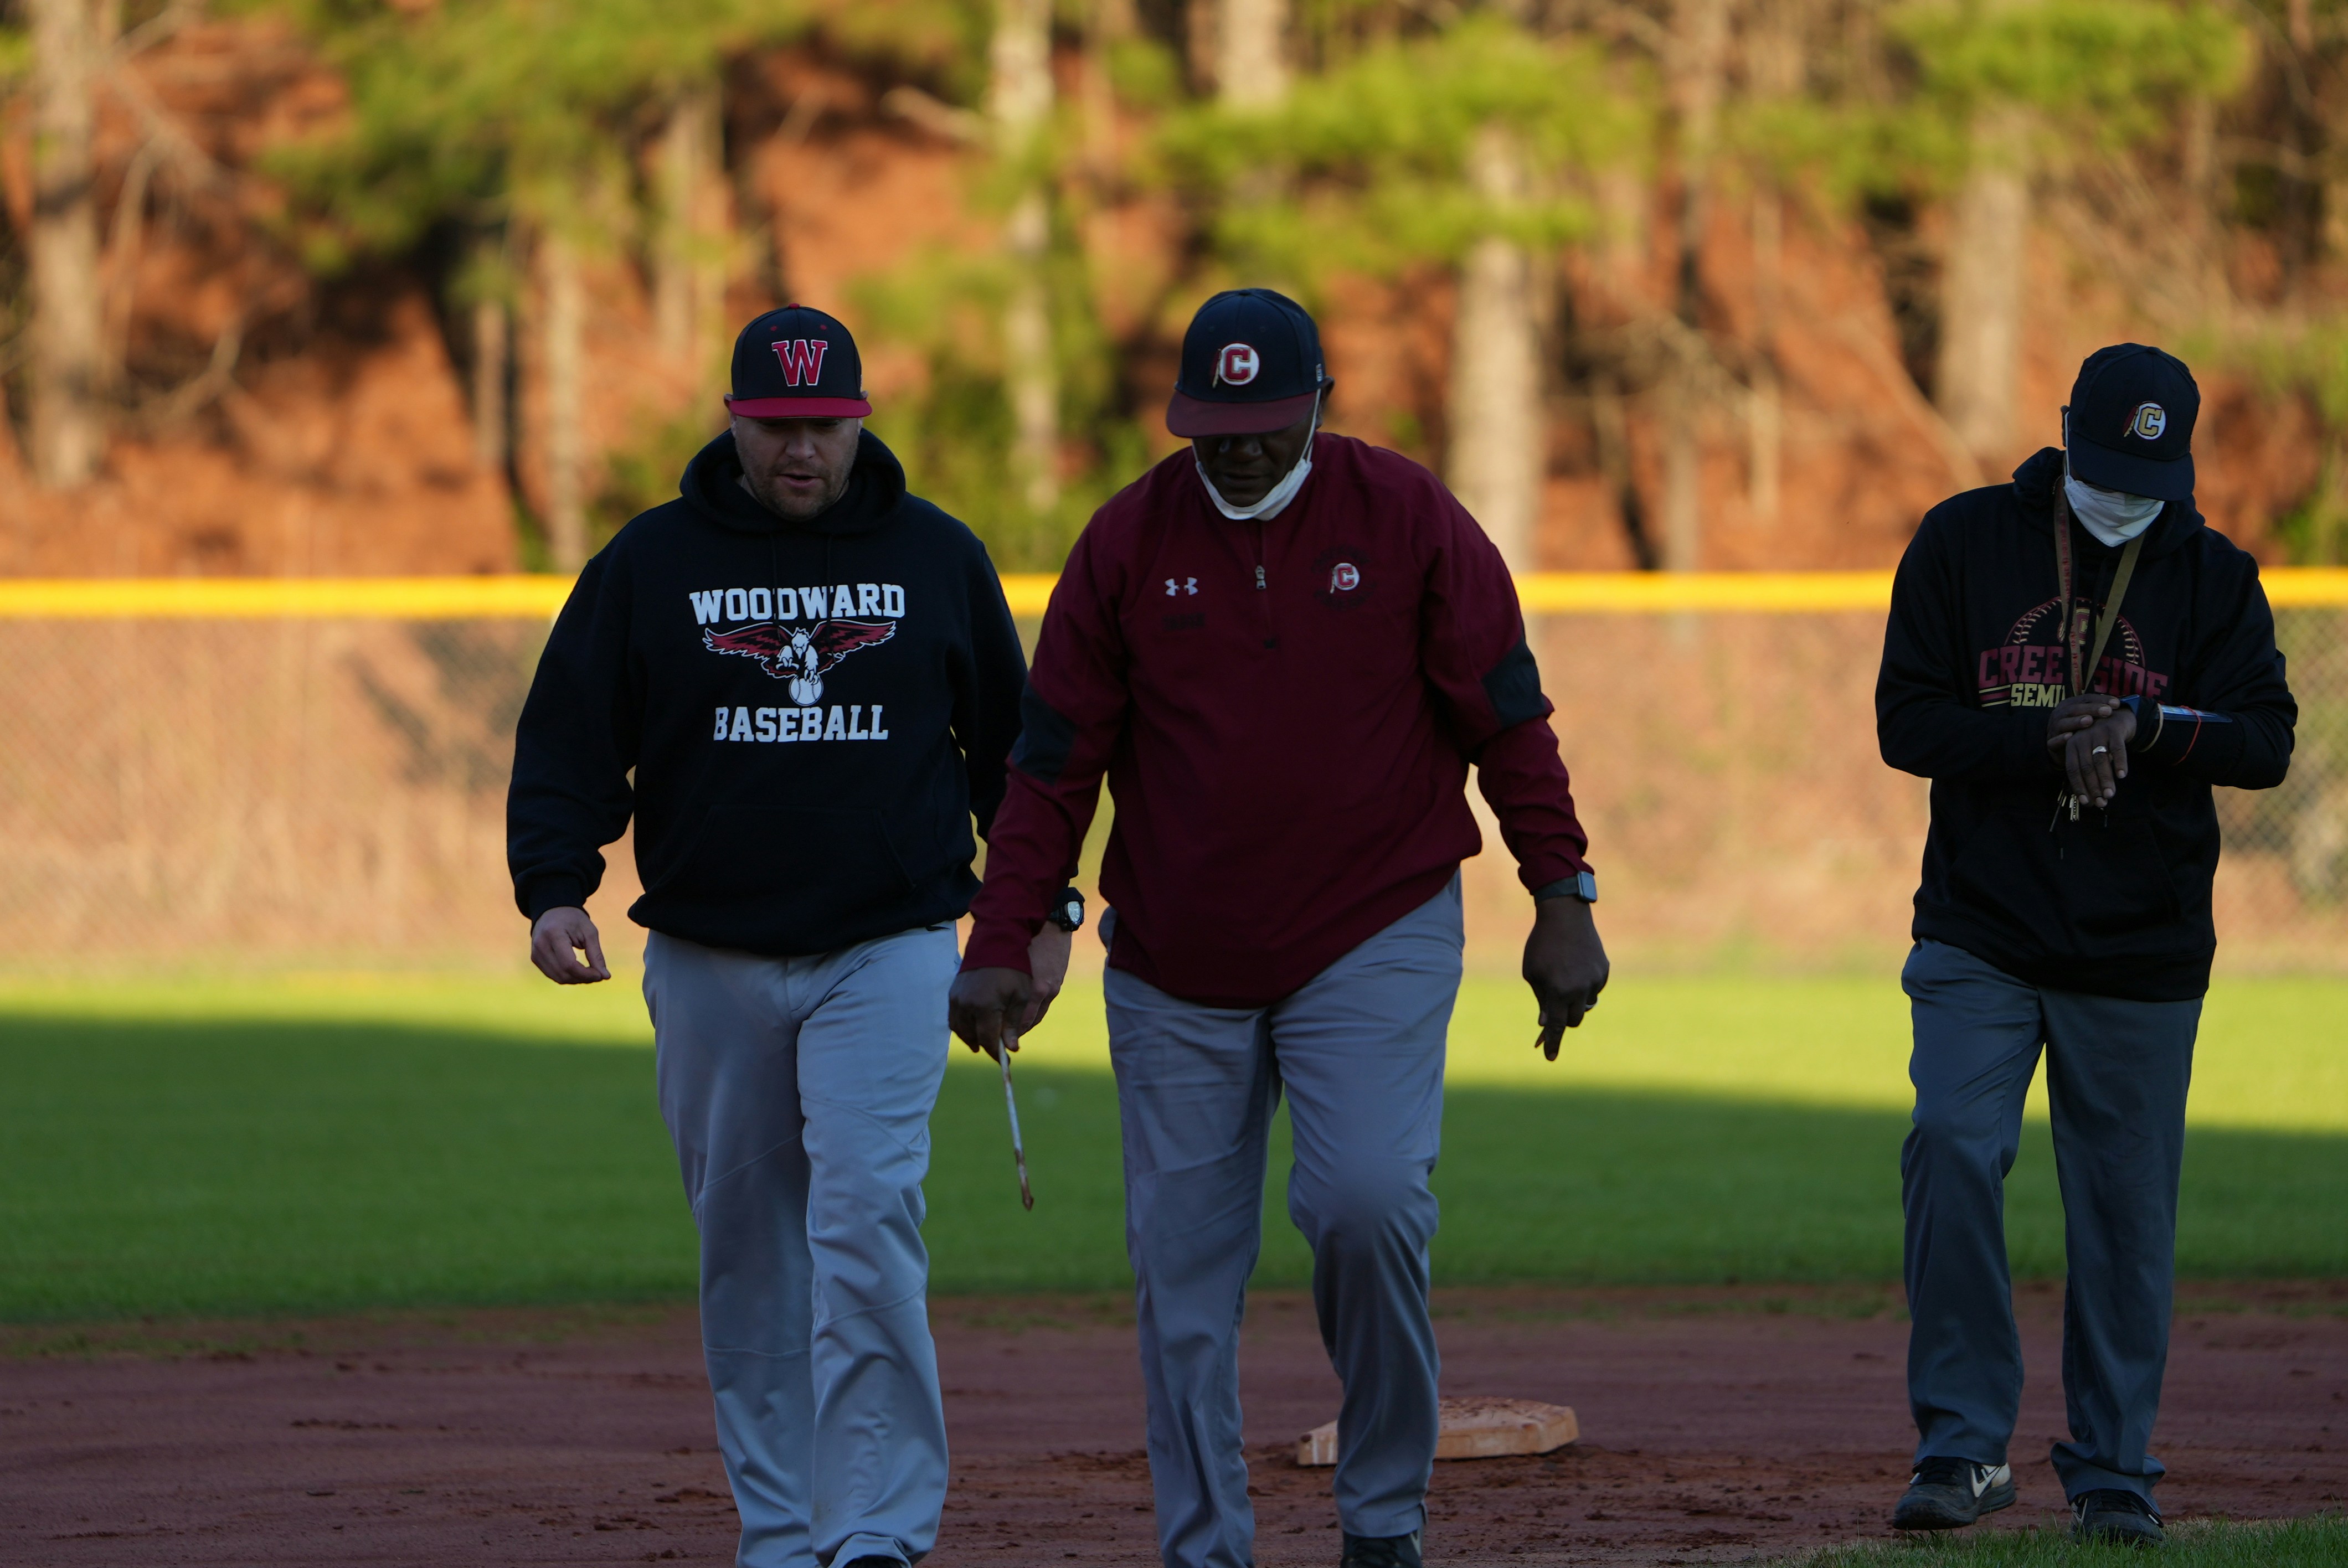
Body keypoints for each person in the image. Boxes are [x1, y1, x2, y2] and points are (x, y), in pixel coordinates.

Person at [946, 288, 1610, 1568]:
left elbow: (1507, 719)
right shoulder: (1126, 541)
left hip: (1374, 920)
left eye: (1262, 421)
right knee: (1181, 1278)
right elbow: (1049, 765)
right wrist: (1000, 938)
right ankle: (1206, 1548)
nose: (1237, 447)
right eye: (1212, 424)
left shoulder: (1408, 516)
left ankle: (1381, 1520)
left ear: (1315, 404)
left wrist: (1561, 895)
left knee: (1366, 1203)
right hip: (1175, 955)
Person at [507, 305, 1064, 1568]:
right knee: (748, 1252)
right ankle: (779, 1526)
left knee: (866, 1222)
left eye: (823, 424)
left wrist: (1031, 916)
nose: (799, 450)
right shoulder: (650, 563)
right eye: (775, 426)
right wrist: (553, 886)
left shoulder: (935, 556)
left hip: (891, 941)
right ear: (735, 422)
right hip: (709, 952)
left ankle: (875, 1526)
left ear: (858, 422)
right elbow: (570, 741)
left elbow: (1016, 758)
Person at [1875, 344, 2295, 1546]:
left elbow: (2265, 741)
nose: (2121, 499)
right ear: (2065, 437)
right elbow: (1905, 721)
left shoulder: (2213, 574)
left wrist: (2149, 724)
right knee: (1951, 1145)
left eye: (2145, 479)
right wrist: (2044, 737)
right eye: (2105, 470)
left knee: (2121, 1210)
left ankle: (2113, 1465)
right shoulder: (1961, 541)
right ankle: (1960, 1450)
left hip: (2140, 944)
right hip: (1982, 924)